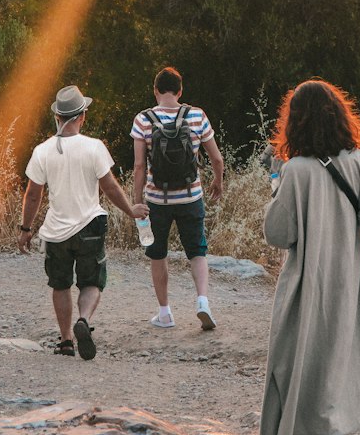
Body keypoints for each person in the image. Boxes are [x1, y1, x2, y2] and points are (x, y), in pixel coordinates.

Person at [259, 79, 360, 435]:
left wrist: (276, 185)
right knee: (343, 352)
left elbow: (277, 234)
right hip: (350, 277)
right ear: (340, 117)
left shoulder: (296, 171)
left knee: (306, 355)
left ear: (295, 123)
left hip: (309, 279)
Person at [18, 84, 147, 359]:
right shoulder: (94, 147)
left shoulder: (42, 151)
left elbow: (32, 195)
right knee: (91, 282)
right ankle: (84, 320)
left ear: (57, 117)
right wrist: (130, 210)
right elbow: (110, 187)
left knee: (60, 284)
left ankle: (66, 341)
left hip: (56, 232)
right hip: (90, 224)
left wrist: (26, 229)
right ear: (82, 116)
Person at [132, 66, 225, 331]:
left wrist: (137, 202)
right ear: (180, 90)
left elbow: (139, 166)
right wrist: (217, 182)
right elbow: (216, 158)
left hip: (157, 200)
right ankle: (203, 303)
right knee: (197, 251)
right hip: (190, 196)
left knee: (157, 254)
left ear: (155, 91)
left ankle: (165, 314)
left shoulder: (143, 119)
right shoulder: (197, 115)